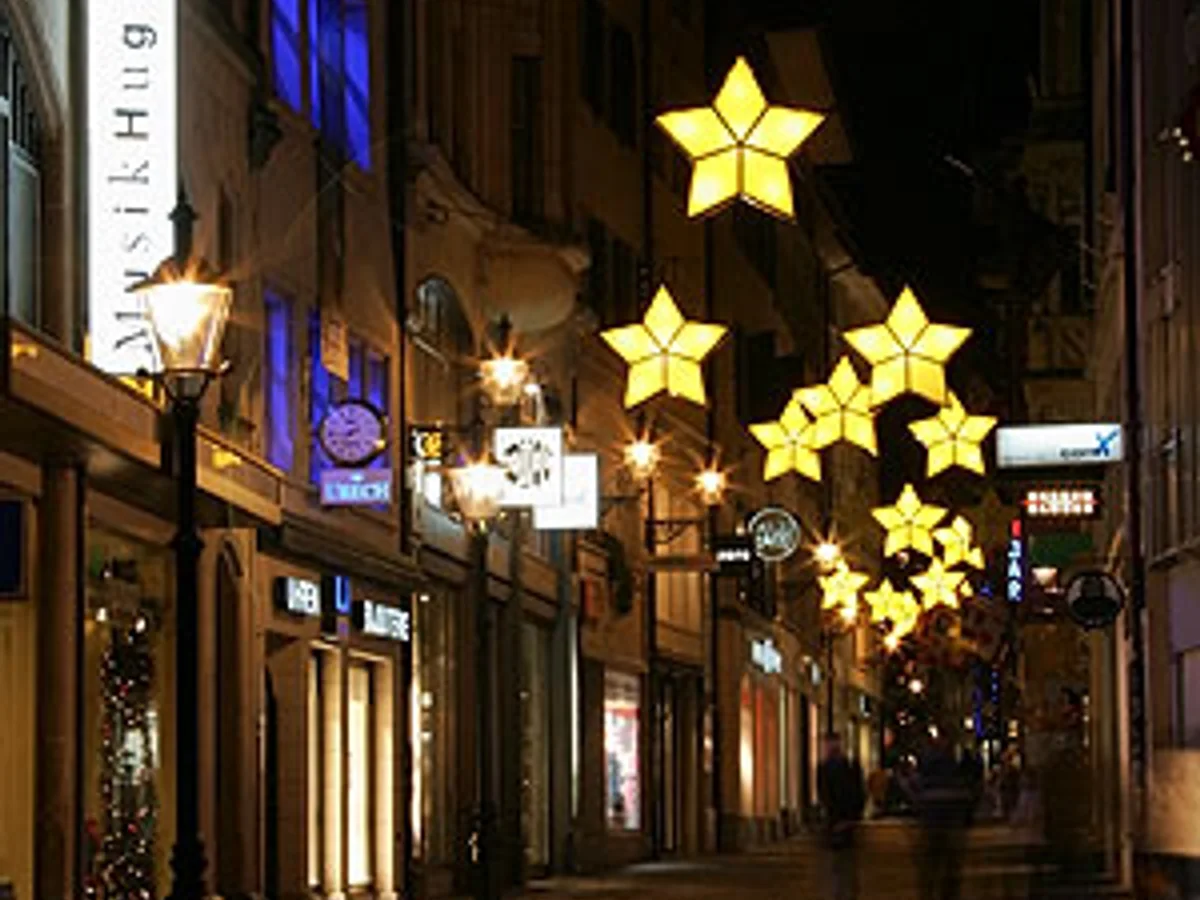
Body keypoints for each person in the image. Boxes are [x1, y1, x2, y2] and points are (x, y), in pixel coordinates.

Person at [915, 734, 972, 900]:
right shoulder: (956, 770)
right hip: (951, 824)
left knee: (930, 868)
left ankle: (929, 893)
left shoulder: (929, 770)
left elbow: (920, 792)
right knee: (950, 869)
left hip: (932, 822)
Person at [817, 733, 866, 900]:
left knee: (839, 864)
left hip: (838, 821)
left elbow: (827, 796)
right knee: (844, 864)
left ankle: (839, 894)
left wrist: (846, 819)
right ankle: (844, 894)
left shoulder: (833, 768)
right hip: (840, 822)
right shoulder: (844, 767)